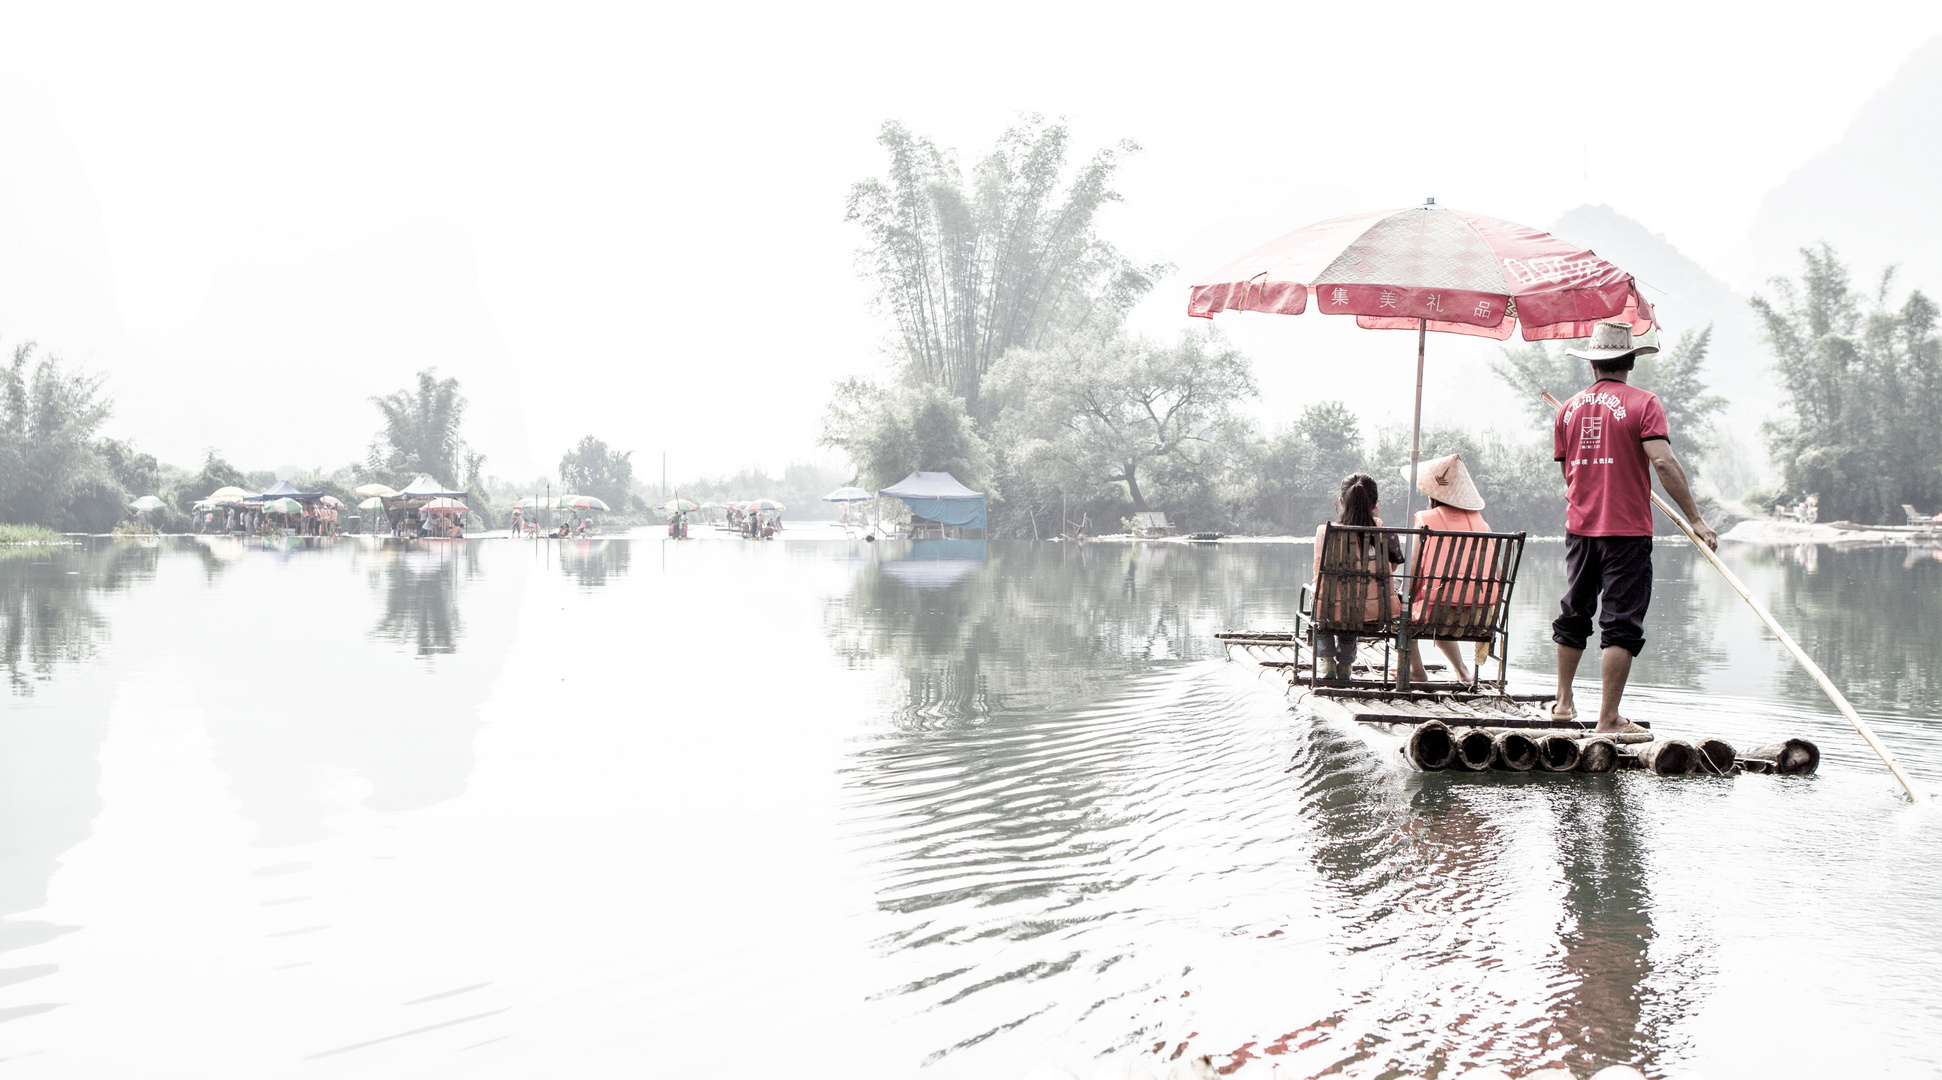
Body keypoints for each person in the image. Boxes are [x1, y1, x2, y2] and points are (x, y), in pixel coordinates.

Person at [1551, 320, 1718, 732]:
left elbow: (1569, 474)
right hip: (1626, 531)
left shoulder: (1569, 409)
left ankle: (1562, 704)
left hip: (1580, 528)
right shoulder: (1645, 404)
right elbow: (1662, 462)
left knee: (1574, 613)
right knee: (1621, 623)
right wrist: (1696, 519)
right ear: (1629, 362)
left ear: (1593, 365)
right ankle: (1608, 719)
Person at [1399, 454, 1494, 683]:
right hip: (1481, 614)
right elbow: (1497, 575)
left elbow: (1411, 573)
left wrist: (1403, 593)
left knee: (1401, 609)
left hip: (1437, 612)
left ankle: (1417, 672)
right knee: (1445, 609)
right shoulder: (1482, 525)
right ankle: (1463, 672)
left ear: (1433, 496)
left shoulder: (1426, 521)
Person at [1310, 473, 1405, 682]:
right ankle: (1345, 663)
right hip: (1375, 615)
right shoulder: (1385, 533)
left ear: (1342, 502)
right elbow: (1394, 566)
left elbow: (1320, 574)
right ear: (1375, 503)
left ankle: (1326, 661)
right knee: (1358, 597)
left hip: (1332, 613)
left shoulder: (1325, 533)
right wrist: (1376, 520)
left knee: (1326, 598)